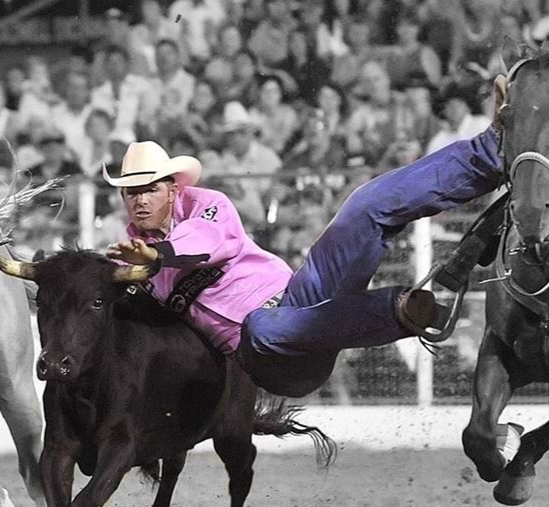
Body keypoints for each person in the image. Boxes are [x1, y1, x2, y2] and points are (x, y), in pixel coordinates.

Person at [103, 76, 509, 398]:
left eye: (149, 188)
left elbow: (207, 242)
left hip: (301, 295)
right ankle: (396, 312)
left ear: (173, 188)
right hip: (271, 358)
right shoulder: (125, 256)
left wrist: (158, 257)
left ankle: (491, 150)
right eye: (131, 191)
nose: (139, 200)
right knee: (262, 326)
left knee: (364, 205)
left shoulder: (205, 205)